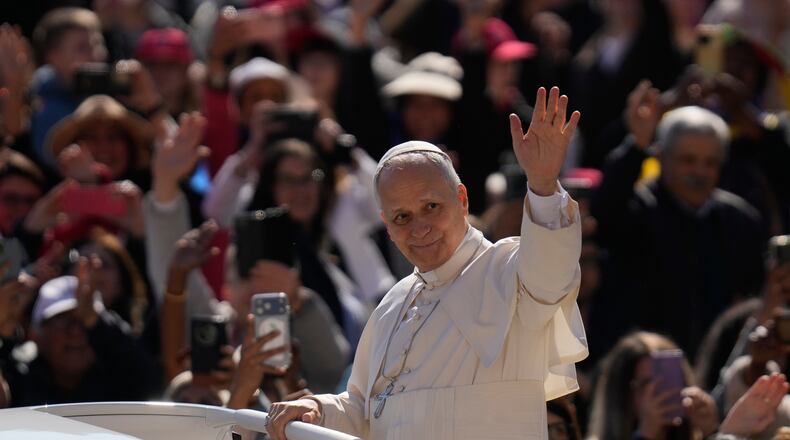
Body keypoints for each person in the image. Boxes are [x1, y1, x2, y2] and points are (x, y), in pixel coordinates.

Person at [265, 86, 588, 439]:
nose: (420, 228)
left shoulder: (508, 271)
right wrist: (318, 410)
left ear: (462, 199)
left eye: (431, 207)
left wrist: (542, 185)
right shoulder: (393, 303)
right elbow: (366, 411)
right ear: (386, 226)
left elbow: (552, 274)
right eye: (402, 217)